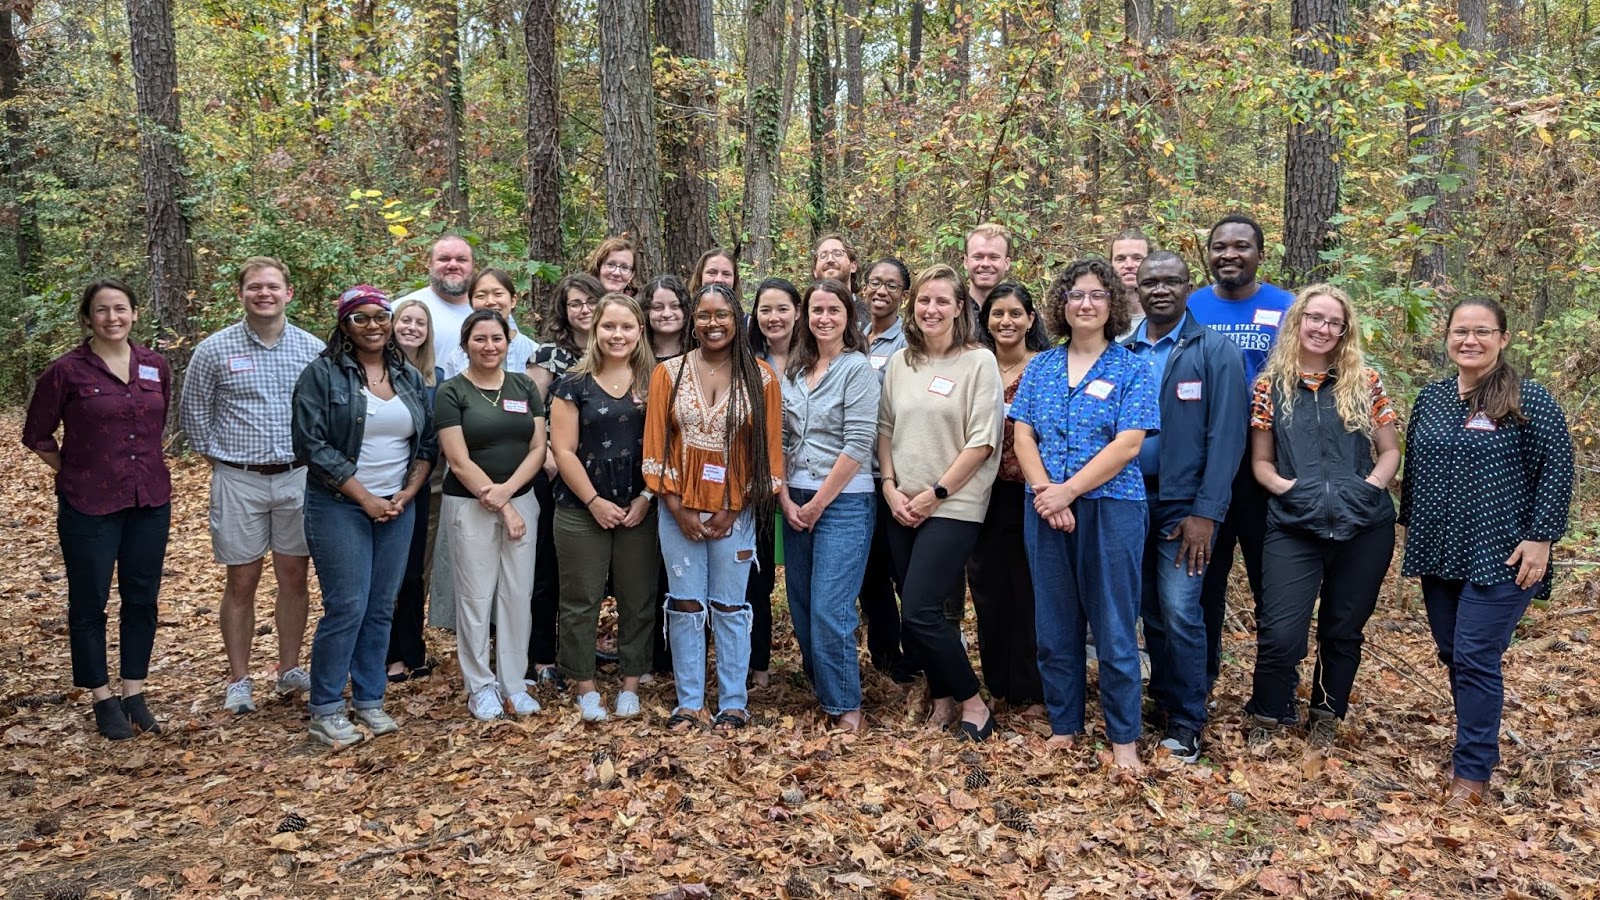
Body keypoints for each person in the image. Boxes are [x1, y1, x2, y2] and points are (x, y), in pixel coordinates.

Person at [1400, 297, 1573, 805]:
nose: (1468, 340)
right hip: (1440, 549)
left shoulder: (1529, 399)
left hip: (1504, 553)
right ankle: (1473, 740)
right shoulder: (1432, 398)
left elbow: (1558, 469)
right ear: (1447, 337)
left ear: (1503, 338)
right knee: (1454, 654)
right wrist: (1409, 528)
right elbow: (1417, 470)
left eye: (1481, 331)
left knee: (1475, 655)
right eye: (1459, 331)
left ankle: (1472, 774)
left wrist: (1541, 538)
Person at [1012, 258, 1158, 768]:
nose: (1087, 303)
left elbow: (1128, 444)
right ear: (1062, 304)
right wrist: (1045, 492)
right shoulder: (1043, 366)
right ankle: (1064, 724)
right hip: (1045, 506)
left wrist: (1068, 492)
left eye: (1097, 294)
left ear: (1112, 304)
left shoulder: (1132, 368)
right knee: (1054, 626)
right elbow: (1023, 434)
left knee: (1115, 626)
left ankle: (1123, 740)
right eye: (1077, 295)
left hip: (1112, 508)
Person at [1245, 284, 1400, 748]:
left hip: (1364, 525)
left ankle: (1326, 715)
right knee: (1280, 631)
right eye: (1315, 318)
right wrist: (1286, 488)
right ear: (1298, 321)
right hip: (1295, 524)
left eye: (1334, 322)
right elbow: (1261, 462)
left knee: (1342, 629)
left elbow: (1389, 451)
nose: (1323, 328)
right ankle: (1268, 716)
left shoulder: (1365, 380)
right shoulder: (1269, 385)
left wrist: (1369, 487)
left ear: (1344, 330)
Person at [23, 280, 172, 740]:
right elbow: (37, 434)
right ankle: (102, 697)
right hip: (88, 503)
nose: (113, 318)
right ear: (88, 318)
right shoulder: (66, 371)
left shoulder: (154, 365)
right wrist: (72, 469)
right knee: (89, 601)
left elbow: (156, 424)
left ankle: (134, 691)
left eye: (121, 309)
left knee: (142, 597)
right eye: (102, 311)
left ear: (134, 314)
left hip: (148, 497)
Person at [291, 286, 437, 746]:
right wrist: (365, 498)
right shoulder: (323, 375)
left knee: (381, 606)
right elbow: (311, 445)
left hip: (397, 505)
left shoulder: (407, 375)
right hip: (339, 506)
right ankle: (327, 706)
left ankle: (370, 699)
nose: (374, 325)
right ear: (344, 325)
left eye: (381, 317)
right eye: (362, 318)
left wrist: (406, 494)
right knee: (347, 605)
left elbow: (427, 442)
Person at [179, 256, 322, 714]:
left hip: (298, 476)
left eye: (272, 287)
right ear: (241, 294)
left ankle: (288, 669)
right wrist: (222, 463)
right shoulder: (214, 350)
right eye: (255, 287)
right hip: (239, 477)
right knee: (241, 579)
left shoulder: (311, 349)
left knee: (294, 576)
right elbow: (194, 415)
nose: (264, 293)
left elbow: (324, 413)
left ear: (288, 293)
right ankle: (239, 679)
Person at [1124, 252, 1248, 763]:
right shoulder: (1123, 348)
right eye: (1150, 281)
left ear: (1187, 286)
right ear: (1137, 286)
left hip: (1185, 506)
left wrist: (1207, 512)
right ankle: (1164, 698)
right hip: (1129, 497)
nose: (1160, 290)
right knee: (1149, 608)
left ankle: (1188, 719)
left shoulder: (1213, 350)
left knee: (1180, 610)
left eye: (1171, 281)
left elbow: (1227, 438)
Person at [643, 283, 784, 732]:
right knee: (685, 604)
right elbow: (655, 447)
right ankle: (688, 701)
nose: (712, 323)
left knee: (729, 605)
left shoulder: (760, 378)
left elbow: (769, 454)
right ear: (692, 321)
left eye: (722, 314)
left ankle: (734, 702)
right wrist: (676, 506)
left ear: (736, 318)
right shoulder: (669, 373)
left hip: (736, 513)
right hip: (676, 508)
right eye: (703, 315)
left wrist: (733, 507)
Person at [877, 264, 1003, 741]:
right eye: (924, 301)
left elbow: (982, 441)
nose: (931, 309)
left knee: (921, 611)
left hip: (953, 505)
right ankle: (944, 698)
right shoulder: (901, 362)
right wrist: (889, 486)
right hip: (901, 504)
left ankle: (973, 702)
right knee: (915, 608)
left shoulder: (978, 362)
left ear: (959, 309)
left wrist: (936, 494)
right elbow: (884, 428)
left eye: (942, 301)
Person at [1186, 214, 1296, 704]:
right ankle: (1199, 684)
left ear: (1259, 253)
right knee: (1202, 585)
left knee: (1273, 586)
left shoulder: (1287, 308)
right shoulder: (1192, 306)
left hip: (1267, 466)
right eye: (1219, 247)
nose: (1229, 254)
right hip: (1207, 468)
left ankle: (1274, 693)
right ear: (1207, 254)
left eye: (1241, 246)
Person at [551, 294, 660, 721]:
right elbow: (562, 450)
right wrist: (594, 501)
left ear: (639, 331)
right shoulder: (572, 383)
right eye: (609, 327)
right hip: (581, 507)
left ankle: (632, 683)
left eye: (626, 327)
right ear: (595, 330)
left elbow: (669, 446)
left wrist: (647, 498)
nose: (618, 335)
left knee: (638, 597)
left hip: (641, 506)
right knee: (581, 599)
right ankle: (585, 685)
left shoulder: (656, 380)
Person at [435, 309, 548, 720]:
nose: (489, 346)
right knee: (476, 596)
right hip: (469, 504)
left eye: (496, 339)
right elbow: (457, 459)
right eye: (479, 339)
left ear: (508, 342)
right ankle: (480, 685)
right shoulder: (452, 391)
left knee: (518, 595)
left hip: (522, 499)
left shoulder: (523, 386)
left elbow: (538, 448)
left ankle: (514, 683)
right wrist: (500, 504)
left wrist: (509, 496)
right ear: (466, 344)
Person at [780, 278, 880, 731]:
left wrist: (818, 502)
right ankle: (824, 689)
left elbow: (859, 441)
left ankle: (847, 706)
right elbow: (779, 438)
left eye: (833, 311)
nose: (824, 318)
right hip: (794, 496)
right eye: (816, 310)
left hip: (842, 500)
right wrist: (783, 496)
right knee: (801, 603)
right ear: (805, 315)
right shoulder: (796, 370)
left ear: (849, 318)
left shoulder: (857, 369)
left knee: (830, 606)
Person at [964, 283, 1049, 720]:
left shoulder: (1046, 367)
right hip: (980, 493)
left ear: (1031, 319)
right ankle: (998, 684)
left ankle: (1033, 690)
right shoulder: (975, 365)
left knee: (1031, 591)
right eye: (998, 314)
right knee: (989, 590)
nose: (1006, 322)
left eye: (1016, 313)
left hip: (1033, 492)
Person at [526, 273, 605, 685]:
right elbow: (529, 409)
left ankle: (578, 648)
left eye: (591, 301)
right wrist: (549, 454)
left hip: (604, 476)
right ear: (564, 309)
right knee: (547, 569)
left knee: (584, 572)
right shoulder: (549, 355)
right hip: (555, 473)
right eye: (575, 303)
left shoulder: (616, 348)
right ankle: (540, 657)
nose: (584, 310)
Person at [744, 276, 802, 686]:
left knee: (804, 581)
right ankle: (758, 665)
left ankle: (818, 667)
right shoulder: (745, 361)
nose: (774, 317)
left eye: (782, 308)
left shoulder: (817, 359)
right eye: (765, 309)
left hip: (808, 483)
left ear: (797, 312)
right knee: (756, 579)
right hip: (756, 487)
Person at [859, 258, 913, 680]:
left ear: (903, 294)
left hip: (894, 475)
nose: (881, 290)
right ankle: (885, 655)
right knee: (870, 574)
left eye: (891, 285)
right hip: (856, 476)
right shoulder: (853, 337)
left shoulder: (906, 344)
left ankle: (915, 657)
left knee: (903, 572)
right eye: (875, 282)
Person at [387, 298, 441, 682]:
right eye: (405, 320)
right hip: (376, 483)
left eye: (420, 323)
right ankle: (388, 655)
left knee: (412, 574)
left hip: (420, 484)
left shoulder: (434, 377)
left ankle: (412, 650)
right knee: (385, 574)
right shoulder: (373, 371)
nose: (412, 328)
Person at [397, 235, 477, 379]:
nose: (453, 265)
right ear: (430, 264)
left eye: (462, 259)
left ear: (473, 266)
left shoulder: (491, 312)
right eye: (444, 259)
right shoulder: (403, 311)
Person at [441, 270, 539, 375]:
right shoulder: (459, 355)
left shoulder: (533, 351)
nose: (490, 302)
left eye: (498, 294)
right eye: (481, 296)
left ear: (513, 300)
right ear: (471, 304)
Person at [1109, 228, 1153, 338]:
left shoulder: (1170, 316)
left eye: (1137, 258)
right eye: (1120, 259)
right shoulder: (1100, 317)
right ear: (1110, 264)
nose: (1129, 265)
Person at [963, 222, 1012, 309]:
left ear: (1006, 263)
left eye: (994, 257)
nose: (985, 264)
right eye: (978, 257)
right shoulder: (952, 311)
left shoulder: (1020, 313)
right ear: (966, 262)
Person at [644, 274, 690, 361]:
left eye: (675, 306)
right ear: (647, 311)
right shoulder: (635, 354)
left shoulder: (699, 353)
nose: (666, 314)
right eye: (658, 307)